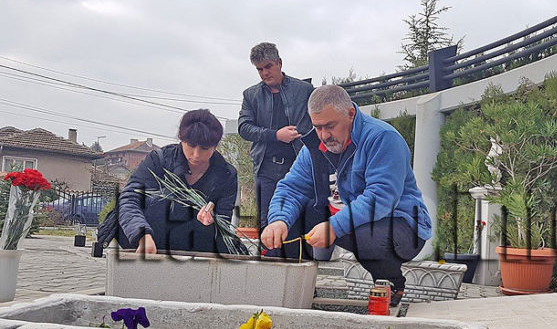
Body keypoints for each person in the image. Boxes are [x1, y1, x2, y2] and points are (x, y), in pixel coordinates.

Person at [261, 85, 432, 306]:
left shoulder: (383, 138)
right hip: (350, 221)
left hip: (402, 224)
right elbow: (292, 189)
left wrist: (333, 227)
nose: (324, 135)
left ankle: (390, 282)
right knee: (288, 222)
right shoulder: (313, 148)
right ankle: (294, 291)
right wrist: (278, 221)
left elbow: (381, 197)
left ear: (351, 113)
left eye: (330, 126)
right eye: (317, 127)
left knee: (367, 237)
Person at [116, 109, 238, 254]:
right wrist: (142, 235)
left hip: (196, 250)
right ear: (181, 139)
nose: (196, 155)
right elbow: (129, 199)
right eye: (191, 145)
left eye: (204, 148)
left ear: (215, 146)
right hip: (151, 241)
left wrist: (213, 223)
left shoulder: (226, 175)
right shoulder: (159, 160)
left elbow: (223, 223)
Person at [238, 42, 314, 251]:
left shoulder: (304, 90)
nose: (264, 73)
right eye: (259, 69)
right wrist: (275, 135)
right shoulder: (251, 95)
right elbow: (244, 128)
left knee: (299, 221)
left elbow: (317, 123)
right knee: (267, 225)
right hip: (266, 169)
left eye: (268, 66)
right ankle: (270, 268)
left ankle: (300, 268)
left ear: (279, 63)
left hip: (298, 166)